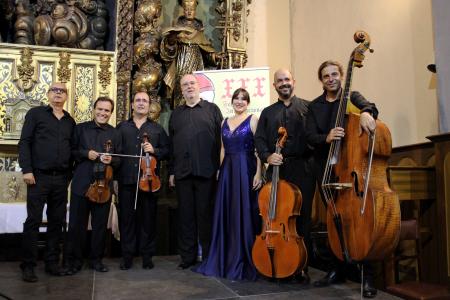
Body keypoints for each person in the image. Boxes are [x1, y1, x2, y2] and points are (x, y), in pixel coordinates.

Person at [306, 60, 378, 298]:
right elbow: (309, 136)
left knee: (359, 221)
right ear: (321, 80)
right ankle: (336, 269)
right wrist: (325, 137)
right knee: (333, 220)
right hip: (326, 170)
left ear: (341, 75)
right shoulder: (314, 106)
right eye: (326, 76)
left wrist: (367, 112)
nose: (331, 79)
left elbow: (371, 107)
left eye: (334, 74)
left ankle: (367, 276)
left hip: (350, 168)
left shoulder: (352, 98)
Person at [194, 88, 262, 280]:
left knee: (244, 211)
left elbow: (258, 149)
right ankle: (225, 256)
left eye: (243, 99)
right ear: (232, 101)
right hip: (228, 171)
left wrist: (258, 173)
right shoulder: (224, 121)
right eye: (236, 99)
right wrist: (220, 170)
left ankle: (244, 256)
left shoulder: (253, 120)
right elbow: (223, 148)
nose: (239, 102)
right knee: (228, 211)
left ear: (248, 102)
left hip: (245, 169)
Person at [254, 68, 315, 283]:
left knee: (302, 218)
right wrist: (269, 156)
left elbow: (314, 137)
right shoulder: (268, 113)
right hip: (277, 170)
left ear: (294, 82)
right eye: (279, 81)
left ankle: (302, 266)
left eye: (287, 79)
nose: (284, 83)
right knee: (276, 217)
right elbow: (259, 140)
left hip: (303, 169)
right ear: (274, 86)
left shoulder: (308, 108)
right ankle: (280, 262)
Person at [18, 82, 76, 282]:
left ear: (66, 96)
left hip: (61, 179)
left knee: (56, 222)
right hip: (38, 177)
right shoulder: (36, 114)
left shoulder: (70, 121)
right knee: (33, 221)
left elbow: (73, 149)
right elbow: (24, 142)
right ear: (48, 94)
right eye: (55, 90)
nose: (58, 93)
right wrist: (27, 170)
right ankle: (28, 265)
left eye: (62, 91)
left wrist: (69, 175)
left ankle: (52, 263)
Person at [168, 74, 223, 270]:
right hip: (182, 173)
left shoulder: (212, 110)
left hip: (207, 172)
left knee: (205, 216)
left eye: (192, 83)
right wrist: (172, 172)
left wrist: (220, 168)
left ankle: (208, 256)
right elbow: (172, 145)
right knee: (186, 218)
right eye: (185, 85)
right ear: (181, 90)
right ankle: (187, 257)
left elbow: (221, 142)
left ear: (198, 87)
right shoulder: (176, 114)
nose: (189, 87)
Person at [64, 97, 121, 274]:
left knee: (99, 226)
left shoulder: (115, 133)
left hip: (103, 186)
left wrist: (113, 159)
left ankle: (96, 260)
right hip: (82, 183)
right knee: (76, 225)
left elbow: (120, 159)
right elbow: (71, 151)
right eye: (100, 109)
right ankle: (75, 261)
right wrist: (85, 153)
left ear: (111, 113)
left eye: (107, 111)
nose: (103, 113)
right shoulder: (80, 129)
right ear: (94, 109)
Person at [116, 91, 170, 270]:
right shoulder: (122, 127)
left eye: (144, 101)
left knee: (148, 221)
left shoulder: (156, 129)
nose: (141, 104)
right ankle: (127, 257)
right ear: (132, 105)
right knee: (127, 221)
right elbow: (116, 155)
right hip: (126, 181)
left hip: (149, 182)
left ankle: (147, 256)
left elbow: (167, 151)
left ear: (149, 106)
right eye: (137, 100)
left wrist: (155, 150)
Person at [160, 0, 216, 107]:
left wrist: (215, 56)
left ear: (195, 11)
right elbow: (169, 49)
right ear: (183, 10)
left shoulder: (199, 30)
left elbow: (206, 49)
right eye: (187, 10)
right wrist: (171, 40)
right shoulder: (177, 27)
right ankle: (180, 109)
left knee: (197, 88)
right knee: (181, 87)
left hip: (197, 62)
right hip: (181, 60)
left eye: (192, 10)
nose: (189, 12)